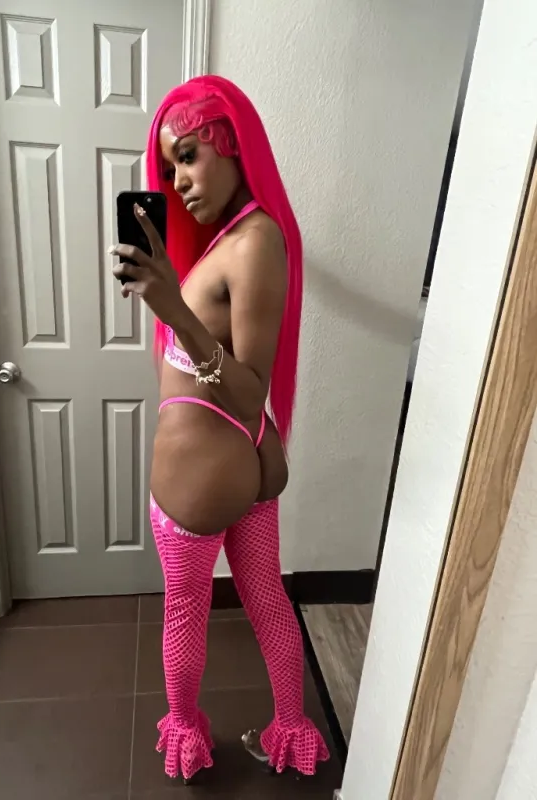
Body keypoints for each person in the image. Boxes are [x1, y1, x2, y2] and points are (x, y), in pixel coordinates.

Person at [109, 75, 329, 784]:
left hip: (202, 479)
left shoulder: (254, 241)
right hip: (241, 464)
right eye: (170, 165)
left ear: (234, 145)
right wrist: (172, 292)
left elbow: (249, 387)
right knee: (266, 599)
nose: (178, 181)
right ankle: (290, 729)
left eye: (190, 156)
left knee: (185, 610)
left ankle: (185, 737)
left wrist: (173, 308)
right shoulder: (233, 240)